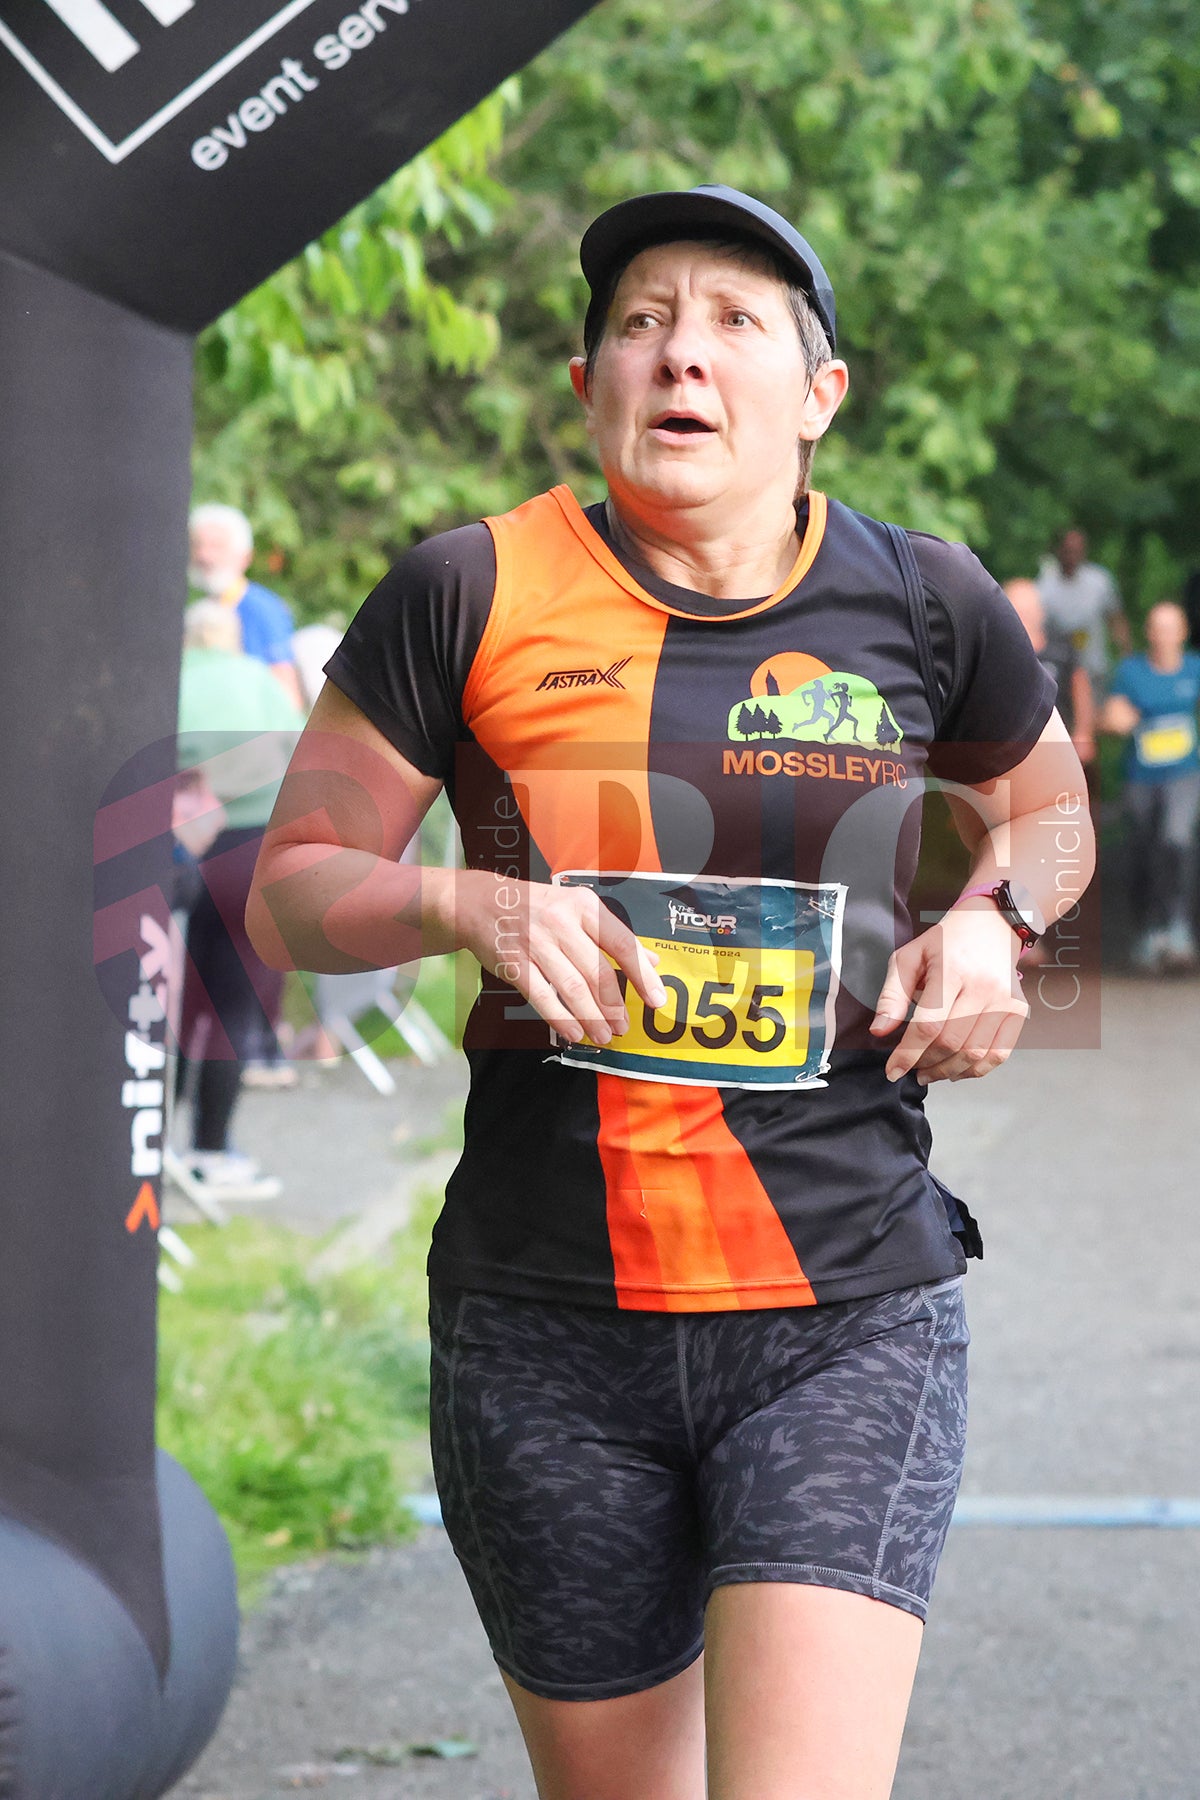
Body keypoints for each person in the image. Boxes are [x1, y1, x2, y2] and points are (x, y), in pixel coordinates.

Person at [247, 185, 1094, 1800]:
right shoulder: (469, 589)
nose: (680, 355)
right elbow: (290, 892)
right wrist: (464, 901)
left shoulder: (924, 599)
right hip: (546, 1326)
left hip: (842, 1312)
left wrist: (997, 924)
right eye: (640, 324)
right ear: (590, 388)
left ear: (820, 394)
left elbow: (1049, 814)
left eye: (732, 322)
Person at [174, 601, 304, 1199]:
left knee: (170, 1004)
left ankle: (147, 1145)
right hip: (249, 856)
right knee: (232, 1006)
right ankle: (210, 1151)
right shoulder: (256, 679)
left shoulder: (171, 678)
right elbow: (303, 755)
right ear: (231, 637)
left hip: (176, 853)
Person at [1101, 601, 1200, 973]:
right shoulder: (1131, 671)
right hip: (1141, 778)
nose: (1164, 636)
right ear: (1149, 634)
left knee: (1176, 840)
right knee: (1145, 850)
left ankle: (1178, 928)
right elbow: (1109, 716)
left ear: (1183, 633)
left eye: (1171, 628)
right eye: (1158, 628)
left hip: (1184, 775)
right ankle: (1149, 930)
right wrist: (1114, 720)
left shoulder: (1194, 668)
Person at [188, 503, 304, 709]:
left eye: (217, 546)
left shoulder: (263, 609)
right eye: (198, 545)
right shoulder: (196, 608)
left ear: (244, 556)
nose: (204, 555)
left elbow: (287, 696)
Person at [1003, 577, 1096, 769]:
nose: (1024, 616)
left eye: (1028, 610)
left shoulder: (1061, 649)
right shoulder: (996, 652)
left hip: (1058, 745)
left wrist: (1083, 733)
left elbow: (1080, 687)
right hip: (1010, 748)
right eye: (1018, 610)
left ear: (1041, 612)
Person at [1037, 526, 1130, 690]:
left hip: (1095, 670)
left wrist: (1126, 655)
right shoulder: (1044, 586)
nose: (1072, 555)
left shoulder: (1100, 582)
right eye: (1068, 550)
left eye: (1077, 550)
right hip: (1059, 673)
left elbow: (1116, 619)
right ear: (1059, 550)